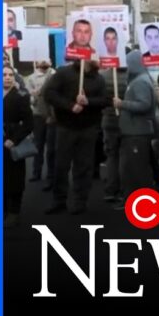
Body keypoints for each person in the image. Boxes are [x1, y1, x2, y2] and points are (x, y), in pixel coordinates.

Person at [43, 58, 108, 215]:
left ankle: (80, 201)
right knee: (61, 166)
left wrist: (88, 101)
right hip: (65, 127)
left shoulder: (99, 78)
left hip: (88, 128)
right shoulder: (64, 73)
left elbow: (105, 100)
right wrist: (70, 105)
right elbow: (49, 94)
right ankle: (59, 200)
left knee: (84, 167)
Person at [112, 50, 157, 209]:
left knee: (137, 170)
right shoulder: (140, 79)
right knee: (132, 168)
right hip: (133, 131)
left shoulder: (140, 82)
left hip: (137, 132)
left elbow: (144, 104)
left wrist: (122, 104)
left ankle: (140, 203)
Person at [3, 65, 34, 227]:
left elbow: (29, 123)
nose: (7, 77)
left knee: (14, 178)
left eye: (10, 75)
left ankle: (14, 212)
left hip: (12, 141)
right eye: (4, 75)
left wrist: (14, 139)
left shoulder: (21, 96)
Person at [100, 60, 127, 203]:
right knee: (124, 156)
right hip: (126, 121)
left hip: (108, 120)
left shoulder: (103, 76)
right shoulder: (130, 76)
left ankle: (111, 189)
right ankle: (123, 189)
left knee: (111, 155)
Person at [25, 61, 55, 182]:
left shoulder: (55, 75)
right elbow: (29, 99)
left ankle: (51, 176)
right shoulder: (31, 78)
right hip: (38, 115)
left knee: (52, 148)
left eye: (46, 59)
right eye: (41, 59)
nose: (44, 61)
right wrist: (34, 96)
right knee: (38, 145)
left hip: (53, 117)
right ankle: (36, 172)